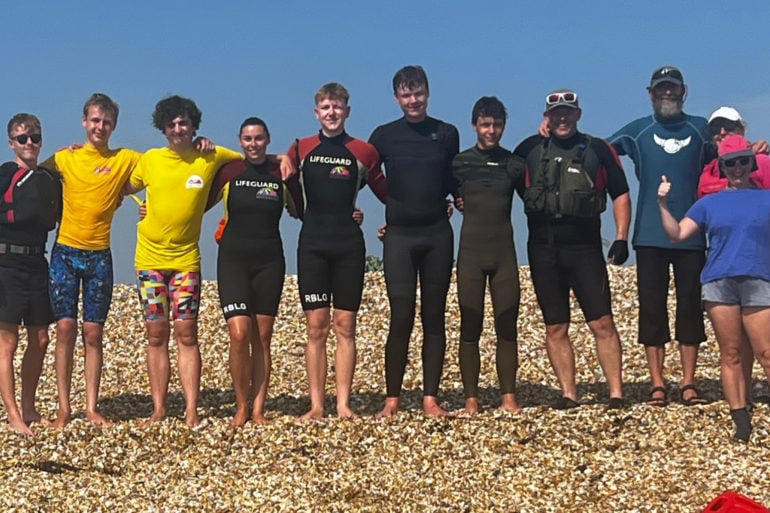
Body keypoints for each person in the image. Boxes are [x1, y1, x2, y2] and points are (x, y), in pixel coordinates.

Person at [123, 96, 242, 427]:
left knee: (187, 333)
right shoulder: (151, 159)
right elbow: (121, 185)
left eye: (184, 123)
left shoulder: (210, 155)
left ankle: (191, 409)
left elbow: (249, 159)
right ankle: (159, 409)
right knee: (156, 334)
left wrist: (284, 160)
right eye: (172, 124)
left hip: (186, 260)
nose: (178, 129)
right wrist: (140, 203)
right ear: (163, 128)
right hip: (148, 260)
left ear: (194, 126)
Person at [515, 89, 630, 409]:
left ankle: (616, 393)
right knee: (555, 325)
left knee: (602, 322)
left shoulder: (599, 150)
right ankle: (568, 393)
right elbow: (500, 183)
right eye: (556, 114)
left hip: (585, 247)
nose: (562, 118)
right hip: (543, 247)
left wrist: (621, 237)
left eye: (568, 112)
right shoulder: (529, 149)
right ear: (546, 117)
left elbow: (620, 193)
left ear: (578, 114)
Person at [608, 66, 710, 407]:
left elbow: (730, 151)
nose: (667, 94)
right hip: (649, 234)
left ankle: (689, 381)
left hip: (692, 233)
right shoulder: (638, 131)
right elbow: (599, 152)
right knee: (652, 309)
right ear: (650, 93)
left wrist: (755, 145)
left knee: (690, 306)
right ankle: (657, 382)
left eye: (673, 88)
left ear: (684, 91)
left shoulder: (701, 129)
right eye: (661, 89)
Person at [657, 134, 770, 442]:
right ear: (722, 166)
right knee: (731, 352)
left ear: (752, 163)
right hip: (719, 283)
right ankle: (740, 420)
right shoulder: (708, 203)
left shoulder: (766, 197)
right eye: (730, 163)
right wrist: (662, 203)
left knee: (765, 352)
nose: (737, 169)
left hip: (759, 280)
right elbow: (677, 234)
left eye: (743, 162)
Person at [285, 83, 387, 420]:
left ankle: (343, 404)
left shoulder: (364, 152)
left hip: (348, 246)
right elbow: (272, 171)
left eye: (337, 107)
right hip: (313, 244)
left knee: (345, 326)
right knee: (316, 327)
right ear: (316, 113)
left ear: (347, 111)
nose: (331, 112)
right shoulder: (301, 148)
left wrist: (433, 207)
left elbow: (389, 192)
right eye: (325, 107)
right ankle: (316, 405)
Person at [40, 93, 142, 428]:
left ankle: (92, 407)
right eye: (95, 120)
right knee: (66, 328)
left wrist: (129, 195)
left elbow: (162, 167)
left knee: (93, 332)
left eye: (106, 122)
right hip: (65, 253)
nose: (100, 127)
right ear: (85, 121)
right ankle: (64, 408)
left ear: (114, 126)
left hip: (100, 255)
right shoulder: (64, 158)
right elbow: (34, 179)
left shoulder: (124, 157)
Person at [369, 66, 459, 417]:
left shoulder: (446, 133)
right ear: (396, 98)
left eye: (418, 93)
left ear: (428, 92)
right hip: (400, 237)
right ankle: (392, 399)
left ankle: (430, 398)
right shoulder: (384, 136)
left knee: (434, 316)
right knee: (401, 314)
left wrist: (461, 198)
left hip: (437, 233)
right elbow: (363, 174)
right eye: (406, 95)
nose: (413, 100)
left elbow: (454, 178)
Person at [452, 97, 521, 413]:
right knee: (471, 324)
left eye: (497, 125)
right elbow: (430, 197)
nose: (491, 131)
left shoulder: (513, 163)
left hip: (504, 252)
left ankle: (508, 397)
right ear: (474, 125)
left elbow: (536, 199)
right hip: (470, 254)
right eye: (485, 124)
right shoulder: (460, 163)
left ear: (504, 126)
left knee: (507, 324)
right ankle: (471, 399)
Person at [0, 113, 61, 436]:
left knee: (40, 338)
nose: (29, 144)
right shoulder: (5, 174)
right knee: (7, 342)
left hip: (37, 263)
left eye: (34, 137)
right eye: (22, 138)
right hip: (6, 263)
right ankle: (13, 414)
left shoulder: (49, 179)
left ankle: (29, 406)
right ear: (11, 143)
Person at [698, 107, 770, 198]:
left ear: (742, 130)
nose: (722, 132)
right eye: (715, 129)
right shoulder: (708, 171)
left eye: (728, 126)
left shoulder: (762, 162)